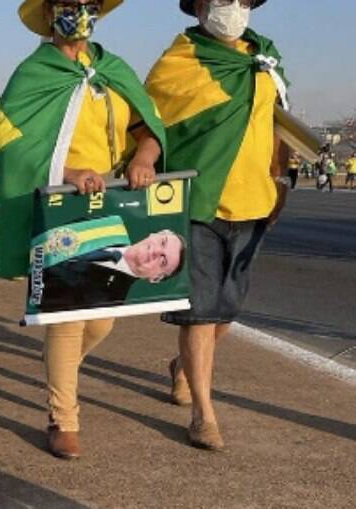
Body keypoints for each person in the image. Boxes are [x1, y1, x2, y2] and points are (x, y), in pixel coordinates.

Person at [0, 0, 165, 460]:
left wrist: (145, 157)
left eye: (88, 4)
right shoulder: (32, 74)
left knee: (103, 318)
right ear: (49, 14)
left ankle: (58, 366)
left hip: (109, 201)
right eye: (68, 4)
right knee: (68, 312)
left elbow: (149, 124)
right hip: (58, 201)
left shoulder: (113, 70)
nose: (79, 12)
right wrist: (66, 170)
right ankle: (63, 417)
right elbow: (9, 144)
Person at [146, 0, 291, 451]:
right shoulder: (180, 61)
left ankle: (182, 366)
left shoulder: (264, 59)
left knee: (225, 312)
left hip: (255, 200)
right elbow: (148, 121)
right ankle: (203, 414)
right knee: (201, 312)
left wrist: (281, 182)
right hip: (199, 201)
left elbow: (276, 126)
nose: (231, 7)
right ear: (199, 7)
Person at [33, 216, 185, 311]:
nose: (156, 251)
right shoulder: (110, 225)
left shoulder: (111, 300)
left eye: (163, 260)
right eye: (162, 242)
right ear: (155, 234)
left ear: (155, 278)